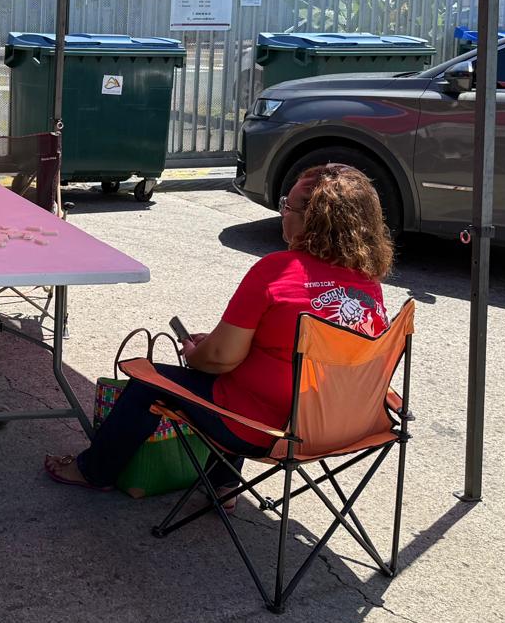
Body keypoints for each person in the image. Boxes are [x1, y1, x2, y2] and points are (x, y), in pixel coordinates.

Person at [44, 163, 394, 499]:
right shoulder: (369, 283)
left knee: (148, 384)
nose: (282, 213)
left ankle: (94, 472)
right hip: (350, 425)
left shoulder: (278, 271)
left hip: (273, 431)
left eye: (287, 206)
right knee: (238, 378)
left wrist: (198, 353)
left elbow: (217, 360)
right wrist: (217, 347)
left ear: (312, 222)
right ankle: (223, 486)